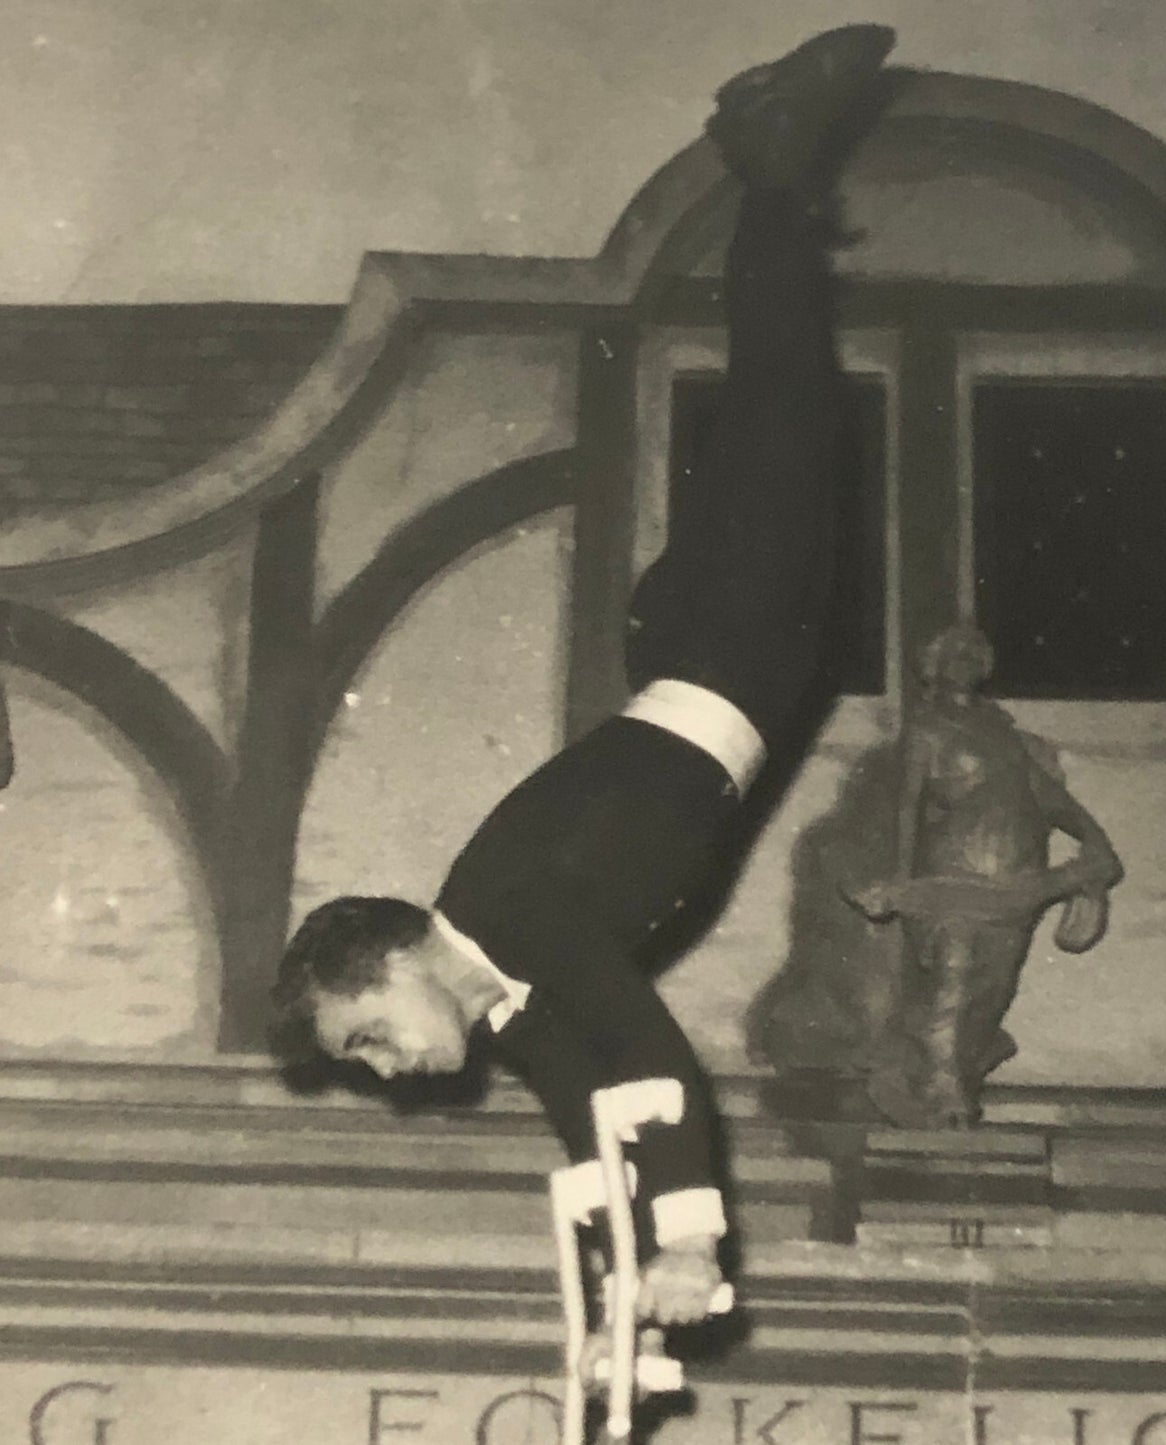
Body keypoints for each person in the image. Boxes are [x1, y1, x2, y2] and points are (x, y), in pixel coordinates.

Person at [271, 25, 896, 1328]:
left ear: (394, 956)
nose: (385, 1070)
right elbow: (590, 1105)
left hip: (729, 642)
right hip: (690, 646)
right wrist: (616, 1272)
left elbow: (656, 1058)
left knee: (790, 400)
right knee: (776, 416)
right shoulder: (506, 996)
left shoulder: (514, 918)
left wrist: (687, 1239)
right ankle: (771, 171)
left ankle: (770, 162)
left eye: (366, 1034)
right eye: (369, 1064)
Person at [846, 620, 1123, 1126]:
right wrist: (899, 883)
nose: (966, 660)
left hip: (1017, 884)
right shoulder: (927, 729)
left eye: (974, 651)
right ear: (932, 664)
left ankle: (948, 1074)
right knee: (953, 983)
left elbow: (1046, 795)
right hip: (953, 880)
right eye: (953, 653)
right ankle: (945, 1091)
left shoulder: (1003, 733)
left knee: (993, 991)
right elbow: (905, 809)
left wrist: (1093, 836)